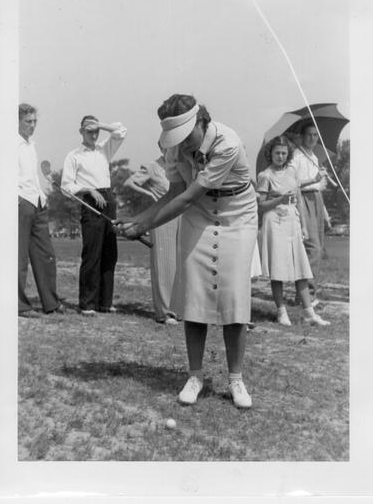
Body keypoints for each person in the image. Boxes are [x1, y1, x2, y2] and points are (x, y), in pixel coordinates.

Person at [121, 94, 258, 409]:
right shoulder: (173, 147)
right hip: (199, 215)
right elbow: (174, 192)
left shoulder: (228, 143)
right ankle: (195, 376)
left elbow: (186, 199)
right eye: (175, 140)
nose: (181, 146)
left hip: (237, 215)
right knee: (194, 295)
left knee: (234, 296)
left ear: (202, 121)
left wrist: (142, 227)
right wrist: (136, 220)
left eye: (185, 137)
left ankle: (236, 379)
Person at [257, 136, 330, 326]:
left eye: (283, 153)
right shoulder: (265, 175)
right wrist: (279, 200)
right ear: (270, 154)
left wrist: (304, 226)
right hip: (274, 220)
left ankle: (309, 312)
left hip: (292, 219)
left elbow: (297, 197)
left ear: (288, 154)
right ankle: (281, 312)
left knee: (301, 267)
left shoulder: (292, 170)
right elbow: (262, 205)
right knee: (278, 269)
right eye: (277, 153)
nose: (280, 157)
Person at [61, 116, 127, 316]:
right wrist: (88, 189)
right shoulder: (74, 156)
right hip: (90, 201)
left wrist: (101, 125)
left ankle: (105, 302)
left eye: (96, 130)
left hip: (108, 199)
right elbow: (66, 187)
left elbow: (121, 130)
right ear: (81, 131)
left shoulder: (104, 149)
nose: (94, 134)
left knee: (110, 252)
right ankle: (88, 303)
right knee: (92, 253)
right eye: (89, 130)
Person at [123, 153, 179, 325]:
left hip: (181, 215)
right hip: (160, 217)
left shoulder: (180, 165)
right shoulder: (153, 166)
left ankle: (179, 310)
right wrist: (148, 193)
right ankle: (164, 312)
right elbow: (129, 182)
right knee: (164, 264)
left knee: (179, 264)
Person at [18, 103, 62, 317]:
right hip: (20, 202)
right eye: (28, 121)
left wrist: (42, 196)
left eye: (35, 121)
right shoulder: (9, 144)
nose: (33, 125)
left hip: (37, 202)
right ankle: (20, 305)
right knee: (18, 257)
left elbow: (33, 176)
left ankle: (51, 303)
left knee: (46, 255)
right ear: (16, 121)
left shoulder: (31, 144)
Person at [290, 124, 327, 306]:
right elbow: (293, 184)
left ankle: (311, 292)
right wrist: (314, 180)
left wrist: (325, 211)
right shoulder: (296, 156)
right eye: (309, 135)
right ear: (301, 137)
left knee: (318, 247)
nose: (313, 138)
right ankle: (306, 295)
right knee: (313, 248)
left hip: (317, 199)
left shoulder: (314, 156)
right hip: (303, 199)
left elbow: (318, 186)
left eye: (315, 135)